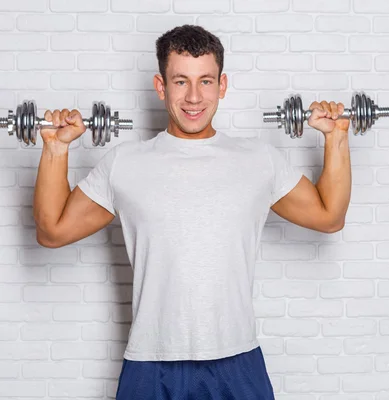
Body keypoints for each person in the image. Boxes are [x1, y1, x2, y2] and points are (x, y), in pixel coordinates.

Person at [33, 25, 351, 399]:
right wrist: (56, 148)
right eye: (181, 82)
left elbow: (329, 217)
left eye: (206, 81)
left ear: (223, 85)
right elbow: (52, 231)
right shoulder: (126, 163)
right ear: (161, 86)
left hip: (237, 358)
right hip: (151, 363)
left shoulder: (258, 160)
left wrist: (337, 137)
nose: (194, 97)